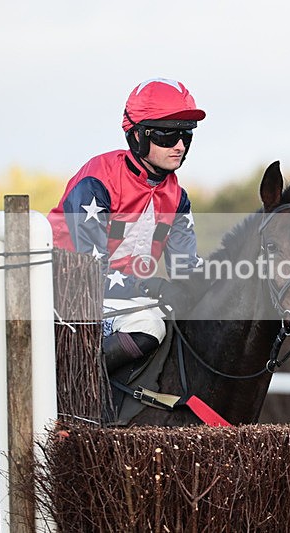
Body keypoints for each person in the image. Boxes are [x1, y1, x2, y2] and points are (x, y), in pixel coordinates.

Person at [48, 78, 206, 373]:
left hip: (119, 297)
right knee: (149, 325)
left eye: (186, 135)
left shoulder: (177, 197)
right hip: (65, 292)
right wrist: (152, 285)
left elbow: (186, 269)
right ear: (138, 136)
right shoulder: (96, 182)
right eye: (167, 136)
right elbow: (90, 276)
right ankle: (73, 381)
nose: (180, 145)